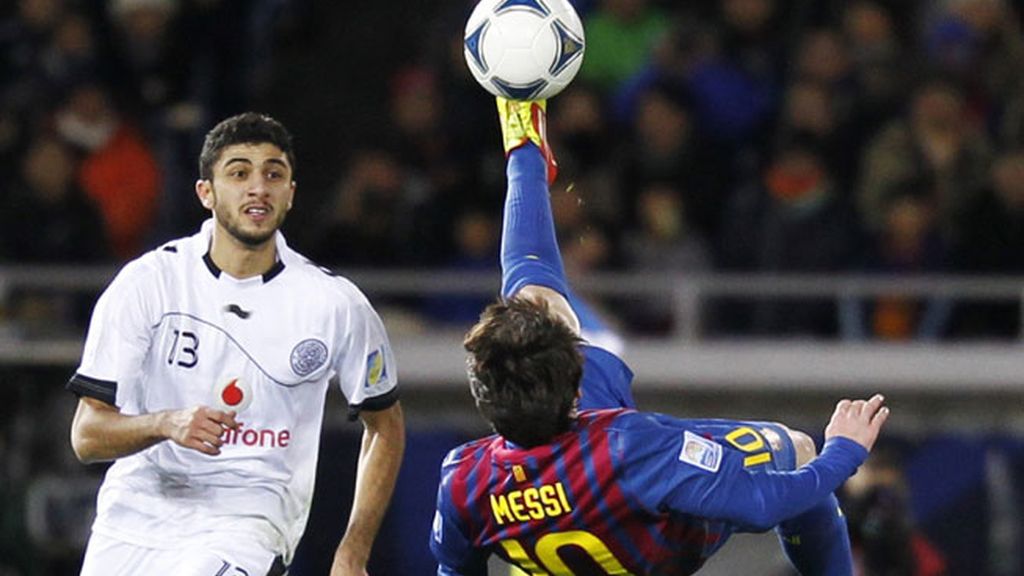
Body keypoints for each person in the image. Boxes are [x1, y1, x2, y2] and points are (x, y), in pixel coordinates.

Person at [429, 97, 891, 575]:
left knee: (535, 297)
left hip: (559, 521)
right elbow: (763, 503)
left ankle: (523, 139)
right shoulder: (632, 446)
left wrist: (524, 156)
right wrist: (844, 451)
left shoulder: (462, 480)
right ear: (574, 378)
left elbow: (453, 571)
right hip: (658, 539)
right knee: (795, 450)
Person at [66, 112, 405, 576]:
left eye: (273, 174)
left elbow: (385, 425)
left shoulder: (335, 304)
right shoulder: (148, 284)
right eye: (239, 172)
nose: (258, 187)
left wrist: (353, 550)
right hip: (133, 517)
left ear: (290, 193)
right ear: (206, 192)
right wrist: (166, 423)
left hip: (246, 521)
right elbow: (86, 436)